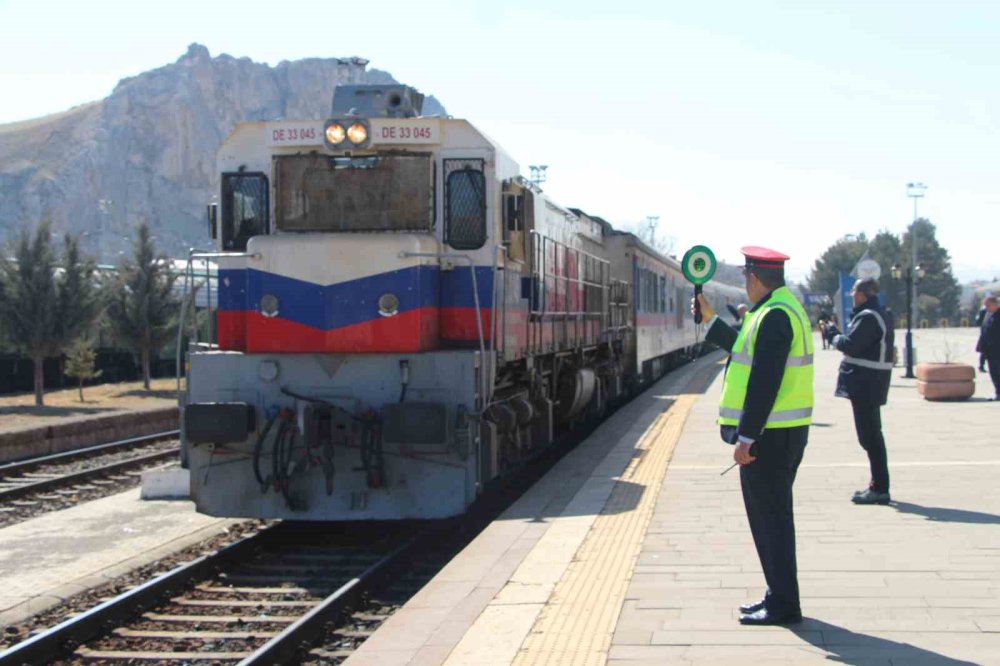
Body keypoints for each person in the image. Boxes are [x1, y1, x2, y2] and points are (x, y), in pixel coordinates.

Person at [694, 246, 813, 626]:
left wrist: (746, 437)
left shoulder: (775, 315)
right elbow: (744, 351)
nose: (745, 283)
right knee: (770, 519)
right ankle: (777, 595)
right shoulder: (775, 309)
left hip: (770, 437)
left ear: (754, 278)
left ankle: (784, 605)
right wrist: (712, 322)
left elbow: (765, 380)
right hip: (778, 434)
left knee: (772, 520)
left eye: (746, 277)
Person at [825, 279, 895, 504]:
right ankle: (878, 485)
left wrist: (833, 334)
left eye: (854, 291)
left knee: (870, 437)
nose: (852, 294)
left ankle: (880, 488)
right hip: (871, 382)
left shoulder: (868, 316)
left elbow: (851, 344)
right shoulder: (879, 313)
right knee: (872, 436)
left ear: (863, 294)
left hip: (865, 382)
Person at [977, 296, 1000, 400]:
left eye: (988, 305)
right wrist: (981, 357)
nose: (986, 308)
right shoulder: (987, 315)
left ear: (996, 304)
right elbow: (984, 334)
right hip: (990, 352)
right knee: (994, 373)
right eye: (985, 305)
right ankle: (998, 393)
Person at [975, 297, 990, 373]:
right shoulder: (983, 311)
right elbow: (978, 322)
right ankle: (981, 365)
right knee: (984, 351)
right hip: (986, 333)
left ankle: (981, 365)